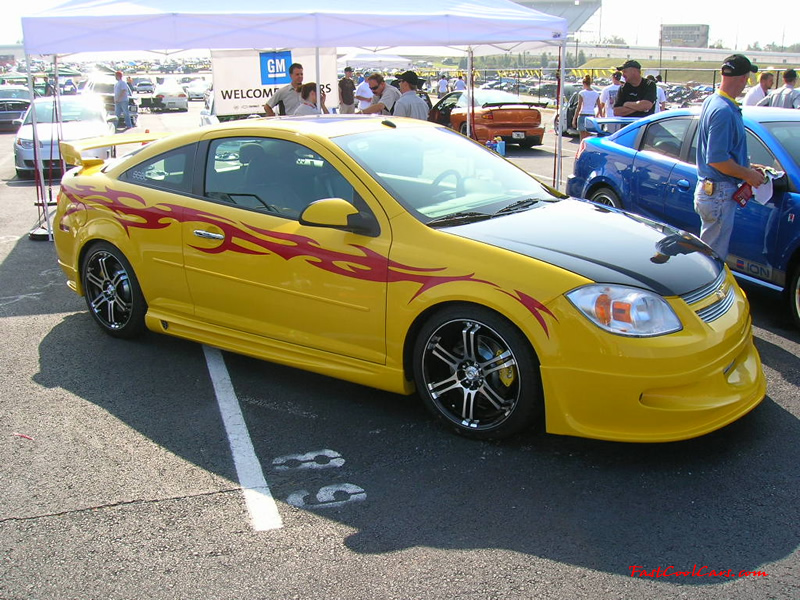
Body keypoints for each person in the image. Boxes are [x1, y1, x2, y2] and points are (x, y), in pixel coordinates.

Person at [694, 54, 765, 259]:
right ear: (744, 78)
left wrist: (747, 167)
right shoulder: (724, 110)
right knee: (712, 260)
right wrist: (748, 175)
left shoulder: (713, 101)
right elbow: (716, 159)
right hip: (719, 193)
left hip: (712, 190)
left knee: (708, 254)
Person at [572, 75, 600, 139]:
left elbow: (579, 107)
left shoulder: (582, 93)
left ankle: (582, 148)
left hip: (583, 114)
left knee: (582, 137)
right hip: (591, 115)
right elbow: (599, 106)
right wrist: (599, 116)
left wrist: (574, 119)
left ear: (584, 83)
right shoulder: (596, 93)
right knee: (588, 136)